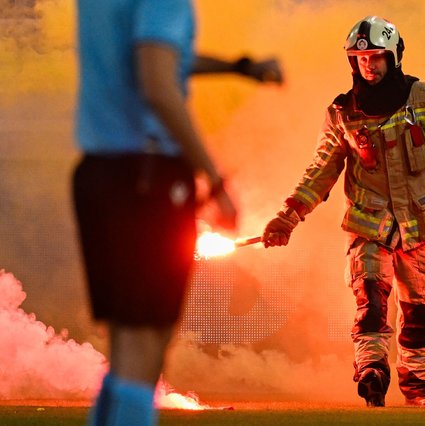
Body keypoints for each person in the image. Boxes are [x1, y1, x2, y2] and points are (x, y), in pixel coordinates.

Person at [262, 16, 425, 408]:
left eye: (377, 56)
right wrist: (288, 216)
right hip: (368, 227)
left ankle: (417, 391)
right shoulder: (341, 114)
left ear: (394, 56)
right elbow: (319, 172)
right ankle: (372, 373)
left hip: (421, 228)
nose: (368, 64)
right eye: (360, 57)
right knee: (371, 300)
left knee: (419, 318)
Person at [73, 1, 280, 424]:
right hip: (146, 178)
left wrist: (238, 68)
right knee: (145, 343)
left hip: (100, 171)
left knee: (127, 344)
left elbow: (159, 57)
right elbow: (157, 81)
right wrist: (215, 179)